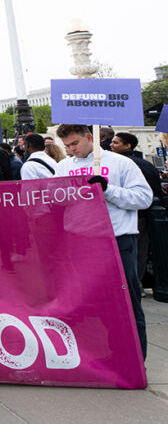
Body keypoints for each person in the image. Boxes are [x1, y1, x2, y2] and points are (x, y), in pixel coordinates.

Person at [55, 124, 150, 358]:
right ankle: (105, 354)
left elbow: (144, 198)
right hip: (81, 242)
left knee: (127, 301)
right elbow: (54, 201)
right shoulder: (63, 166)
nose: (70, 149)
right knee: (93, 304)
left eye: (74, 143)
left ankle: (135, 358)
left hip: (117, 240)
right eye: (66, 146)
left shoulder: (121, 163)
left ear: (90, 137)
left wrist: (108, 190)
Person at [111, 131, 165, 282]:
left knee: (135, 254)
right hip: (144, 215)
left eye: (116, 142)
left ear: (128, 145)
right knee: (140, 252)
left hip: (135, 215)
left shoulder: (124, 164)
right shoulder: (144, 163)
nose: (111, 145)